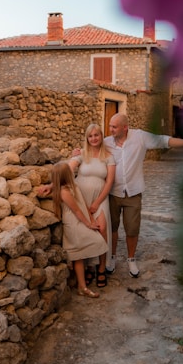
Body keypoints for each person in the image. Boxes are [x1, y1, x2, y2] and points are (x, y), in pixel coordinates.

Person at [103, 113, 183, 278]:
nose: (110, 129)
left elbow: (163, 140)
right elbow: (89, 151)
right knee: (112, 228)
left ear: (125, 127)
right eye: (110, 126)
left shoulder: (140, 137)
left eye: (114, 127)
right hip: (113, 193)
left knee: (132, 229)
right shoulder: (107, 142)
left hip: (133, 193)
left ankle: (131, 259)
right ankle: (112, 258)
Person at [51, 161, 108, 298]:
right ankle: (82, 286)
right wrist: (89, 224)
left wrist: (91, 219)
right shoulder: (64, 192)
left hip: (78, 221)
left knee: (80, 255)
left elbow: (82, 206)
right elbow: (76, 210)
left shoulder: (72, 187)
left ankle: (82, 286)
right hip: (73, 224)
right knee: (83, 251)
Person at [69, 123, 115, 288]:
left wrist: (96, 203)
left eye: (96, 135)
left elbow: (109, 182)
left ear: (101, 136)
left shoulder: (108, 156)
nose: (94, 138)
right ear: (87, 138)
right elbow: (69, 168)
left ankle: (101, 268)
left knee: (101, 230)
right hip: (82, 199)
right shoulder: (81, 154)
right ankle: (89, 267)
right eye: (90, 136)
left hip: (100, 199)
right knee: (87, 231)